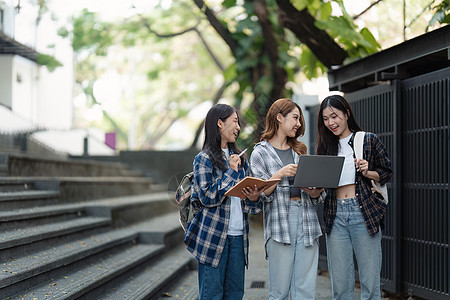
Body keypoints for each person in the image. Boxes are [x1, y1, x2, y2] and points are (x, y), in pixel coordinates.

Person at [184, 103, 265, 300]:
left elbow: (251, 206)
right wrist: (230, 172)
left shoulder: (241, 159)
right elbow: (207, 197)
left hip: (238, 237)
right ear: (220, 123)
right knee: (212, 294)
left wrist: (254, 198)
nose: (238, 127)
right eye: (235, 121)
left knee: (235, 294)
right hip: (213, 237)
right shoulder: (203, 159)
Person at [316, 94, 392, 300]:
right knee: (340, 287)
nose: (331, 122)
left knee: (369, 285)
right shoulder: (325, 147)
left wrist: (368, 172)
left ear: (347, 114)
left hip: (363, 213)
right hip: (335, 216)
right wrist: (314, 188)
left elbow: (386, 172)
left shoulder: (367, 139)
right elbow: (320, 189)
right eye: (325, 118)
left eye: (334, 116)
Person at [250, 98, 325, 300]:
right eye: (295, 118)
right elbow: (261, 193)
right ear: (279, 118)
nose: (299, 124)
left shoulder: (299, 151)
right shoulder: (260, 153)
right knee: (280, 291)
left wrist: (315, 192)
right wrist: (280, 173)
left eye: (299, 119)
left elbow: (318, 195)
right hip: (280, 224)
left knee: (305, 290)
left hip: (307, 220)